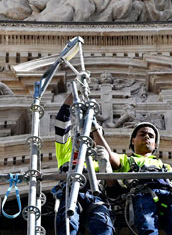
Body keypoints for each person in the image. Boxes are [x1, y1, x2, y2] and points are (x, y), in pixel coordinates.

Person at [94, 122, 172, 235]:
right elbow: (108, 154)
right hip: (143, 195)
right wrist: (95, 130)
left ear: (155, 145)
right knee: (147, 227)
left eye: (151, 136)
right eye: (142, 134)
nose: (147, 137)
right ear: (133, 140)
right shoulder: (127, 160)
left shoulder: (166, 167)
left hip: (169, 197)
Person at [53, 93, 115, 235]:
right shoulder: (65, 151)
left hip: (95, 195)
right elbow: (61, 121)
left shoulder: (99, 157)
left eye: (89, 135)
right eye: (80, 134)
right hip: (70, 191)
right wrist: (75, 94)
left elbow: (113, 190)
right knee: (68, 224)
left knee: (103, 227)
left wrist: (106, 166)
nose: (84, 137)